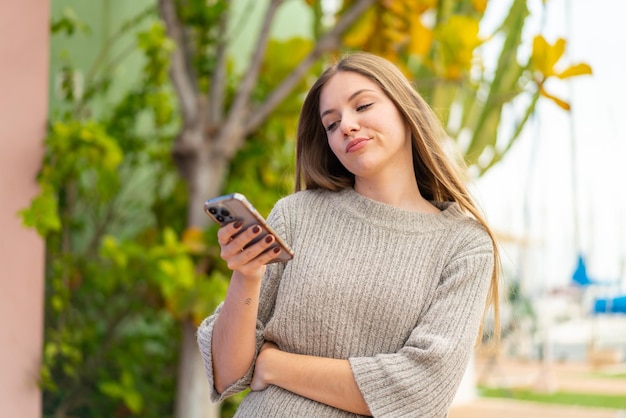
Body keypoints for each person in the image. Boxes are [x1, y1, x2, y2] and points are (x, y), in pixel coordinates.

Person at [197, 51, 501, 417]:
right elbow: (229, 374)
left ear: (405, 109)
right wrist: (246, 277)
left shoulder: (464, 246)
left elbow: (421, 391)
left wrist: (274, 365)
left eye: (363, 106)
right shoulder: (296, 214)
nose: (347, 126)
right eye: (331, 123)